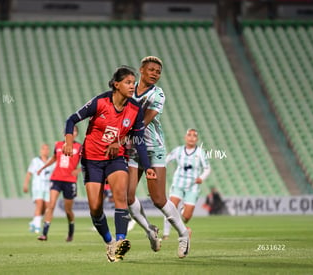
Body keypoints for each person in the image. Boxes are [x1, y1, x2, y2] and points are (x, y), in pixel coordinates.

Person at [63, 66, 157, 262]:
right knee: (95, 208)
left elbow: (138, 140)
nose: (133, 86)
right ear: (116, 84)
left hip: (116, 159)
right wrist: (69, 142)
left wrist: (147, 166)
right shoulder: (100, 102)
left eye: (134, 83)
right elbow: (71, 120)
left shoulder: (135, 109)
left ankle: (120, 242)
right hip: (92, 160)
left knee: (120, 196)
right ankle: (109, 241)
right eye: (128, 83)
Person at [126, 56, 191, 258]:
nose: (155, 74)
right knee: (126, 197)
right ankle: (150, 231)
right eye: (152, 70)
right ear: (141, 70)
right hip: (133, 150)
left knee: (158, 199)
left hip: (153, 149)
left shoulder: (158, 94)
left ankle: (183, 235)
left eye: (158, 72)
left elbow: (143, 122)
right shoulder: (128, 90)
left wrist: (122, 136)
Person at [162, 128, 211, 239]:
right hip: (178, 183)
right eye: (189, 135)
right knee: (170, 207)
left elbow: (207, 168)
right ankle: (166, 234)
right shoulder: (178, 150)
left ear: (197, 139)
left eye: (194, 136)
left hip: (193, 186)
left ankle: (182, 215)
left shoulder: (200, 152)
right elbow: (166, 160)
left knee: (187, 217)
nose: (191, 137)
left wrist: (201, 178)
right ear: (185, 137)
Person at [36, 126, 81, 242]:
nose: (71, 133)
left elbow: (87, 162)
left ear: (76, 134)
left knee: (68, 210)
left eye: (73, 131)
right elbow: (54, 158)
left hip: (70, 181)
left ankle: (71, 232)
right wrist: (42, 167)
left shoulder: (79, 147)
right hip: (56, 178)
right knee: (51, 205)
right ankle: (44, 234)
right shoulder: (58, 145)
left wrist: (79, 170)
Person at [23, 144, 54, 234]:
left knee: (46, 207)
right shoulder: (35, 161)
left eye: (47, 149)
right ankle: (37, 227)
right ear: (41, 150)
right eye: (44, 149)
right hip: (37, 186)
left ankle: (33, 222)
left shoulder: (51, 161)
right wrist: (26, 184)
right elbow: (29, 173)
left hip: (47, 187)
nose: (46, 150)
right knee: (39, 204)